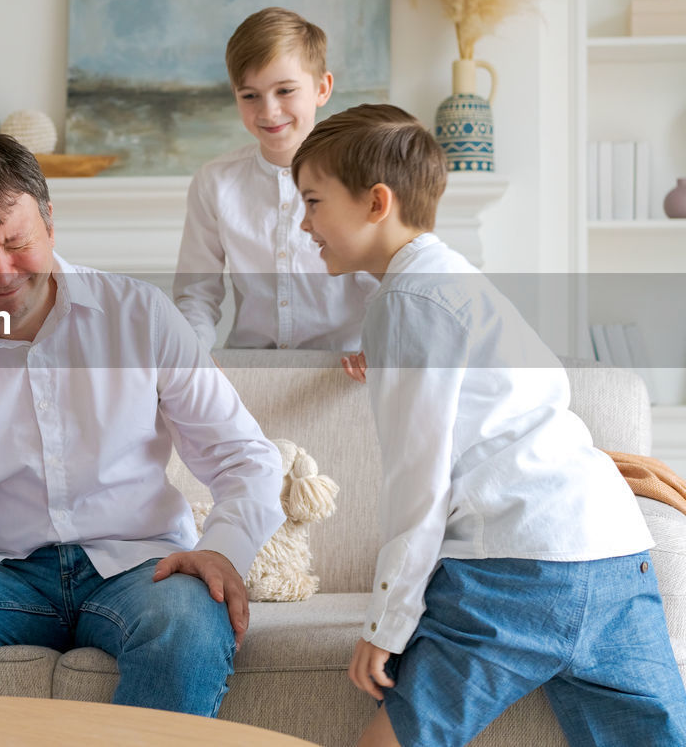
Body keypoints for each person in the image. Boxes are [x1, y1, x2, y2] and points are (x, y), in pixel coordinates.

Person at [0, 132, 286, 717]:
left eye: (16, 240)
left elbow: (244, 457)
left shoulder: (139, 315)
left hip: (137, 568)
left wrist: (223, 548)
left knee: (190, 613)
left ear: (50, 221)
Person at [292, 103, 686, 746]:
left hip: (517, 571)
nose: (305, 224)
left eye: (313, 202)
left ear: (375, 202)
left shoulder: (402, 304)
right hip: (615, 551)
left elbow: (418, 486)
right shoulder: (460, 285)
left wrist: (384, 626)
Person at [174, 6, 376, 356]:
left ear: (322, 88)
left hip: (343, 373)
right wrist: (193, 363)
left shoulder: (363, 176)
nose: (268, 111)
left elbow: (383, 284)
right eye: (250, 95)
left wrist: (380, 350)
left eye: (285, 90)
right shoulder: (214, 182)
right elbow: (197, 293)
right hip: (248, 371)